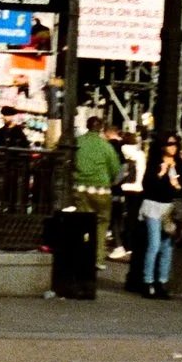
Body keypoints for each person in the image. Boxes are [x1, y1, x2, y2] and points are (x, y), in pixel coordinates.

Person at [138, 133, 182, 299]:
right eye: (170, 144)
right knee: (154, 244)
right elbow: (147, 186)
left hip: (169, 208)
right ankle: (148, 281)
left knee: (167, 246)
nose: (173, 147)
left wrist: (177, 185)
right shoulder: (154, 164)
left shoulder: (180, 164)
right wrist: (160, 173)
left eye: (175, 144)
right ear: (162, 146)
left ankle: (162, 281)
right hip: (153, 206)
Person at [72, 114, 122, 270]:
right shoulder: (105, 146)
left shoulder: (78, 142)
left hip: (80, 188)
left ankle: (80, 255)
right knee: (101, 223)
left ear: (87, 126)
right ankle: (98, 259)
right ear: (100, 128)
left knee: (82, 223)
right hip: (101, 190)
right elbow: (116, 169)